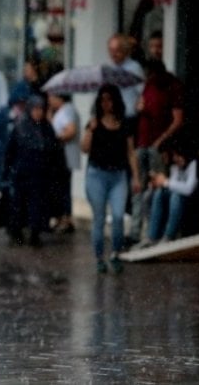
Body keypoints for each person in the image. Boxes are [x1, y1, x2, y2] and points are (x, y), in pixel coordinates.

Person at [81, 84, 141, 274]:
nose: (106, 103)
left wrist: (136, 177)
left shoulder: (124, 124)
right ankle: (99, 257)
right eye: (103, 99)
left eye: (110, 99)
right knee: (99, 218)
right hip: (96, 174)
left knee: (117, 216)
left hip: (118, 175)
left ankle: (115, 253)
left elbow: (131, 153)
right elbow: (84, 149)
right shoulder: (94, 122)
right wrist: (90, 130)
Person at [127, 59, 184, 245]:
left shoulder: (172, 86)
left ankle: (155, 232)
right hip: (142, 141)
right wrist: (139, 108)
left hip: (158, 145)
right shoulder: (148, 85)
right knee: (138, 189)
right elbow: (140, 107)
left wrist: (161, 141)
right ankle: (138, 231)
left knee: (156, 190)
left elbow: (177, 119)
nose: (148, 79)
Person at [4, 96, 65, 247]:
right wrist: (7, 171)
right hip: (22, 174)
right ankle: (17, 232)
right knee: (19, 205)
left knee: (37, 205)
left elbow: (54, 150)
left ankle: (35, 233)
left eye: (41, 109)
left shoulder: (47, 128)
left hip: (40, 175)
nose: (38, 113)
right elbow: (10, 151)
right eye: (36, 109)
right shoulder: (20, 127)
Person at [144, 142, 198, 245]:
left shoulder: (193, 164)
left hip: (191, 200)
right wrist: (158, 183)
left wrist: (165, 182)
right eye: (174, 156)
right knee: (159, 193)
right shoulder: (174, 167)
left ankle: (169, 235)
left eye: (178, 156)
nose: (176, 159)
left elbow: (189, 189)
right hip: (175, 199)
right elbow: (171, 185)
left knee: (176, 196)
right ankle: (152, 236)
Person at [48, 93, 81, 234]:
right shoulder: (62, 111)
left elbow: (71, 130)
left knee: (63, 189)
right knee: (60, 188)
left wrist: (56, 138)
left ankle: (66, 219)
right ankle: (62, 217)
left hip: (64, 157)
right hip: (61, 158)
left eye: (51, 97)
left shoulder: (68, 110)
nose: (49, 100)